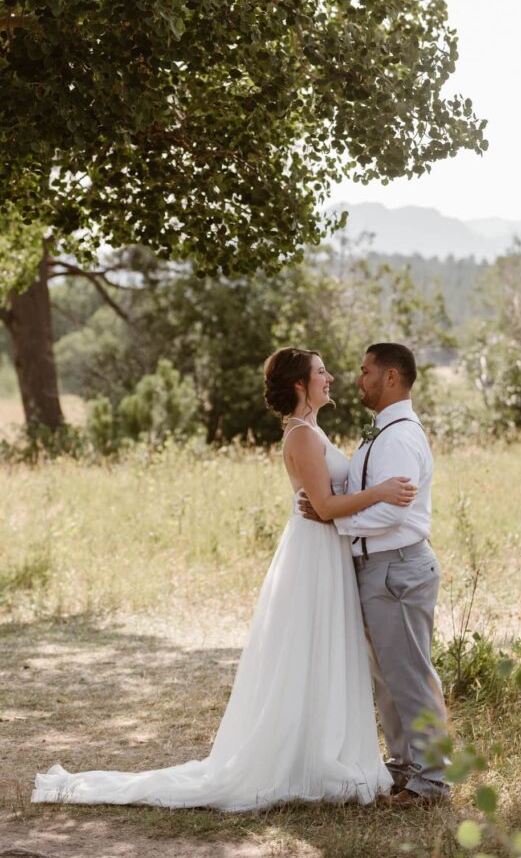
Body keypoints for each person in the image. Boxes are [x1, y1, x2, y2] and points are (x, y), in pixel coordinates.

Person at [32, 347, 415, 811]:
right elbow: (328, 507)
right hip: (314, 553)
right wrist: (381, 491)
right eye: (320, 372)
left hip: (325, 550)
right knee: (306, 650)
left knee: (323, 649)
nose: (330, 377)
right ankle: (302, 759)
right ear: (300, 384)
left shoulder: (312, 431)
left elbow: (329, 503)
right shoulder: (302, 437)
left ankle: (320, 748)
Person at [302, 342, 450, 806]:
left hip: (398, 568)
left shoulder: (401, 436)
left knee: (409, 675)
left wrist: (333, 519)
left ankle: (433, 779)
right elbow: (368, 492)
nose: (358, 379)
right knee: (387, 676)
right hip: (377, 570)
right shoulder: (380, 433)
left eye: (366, 371)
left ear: (390, 378)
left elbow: (389, 514)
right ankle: (405, 765)